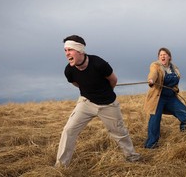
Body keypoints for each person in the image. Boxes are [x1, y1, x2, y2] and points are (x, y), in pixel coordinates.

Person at [55, 35, 140, 167]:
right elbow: (77, 84)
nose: (67, 54)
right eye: (65, 50)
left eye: (69, 50)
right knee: (68, 130)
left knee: (119, 133)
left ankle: (132, 157)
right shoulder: (69, 71)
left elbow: (113, 80)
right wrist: (89, 90)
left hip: (108, 104)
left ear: (80, 50)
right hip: (86, 103)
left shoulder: (99, 63)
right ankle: (61, 166)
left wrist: (104, 93)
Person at [143, 47, 186, 149]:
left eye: (164, 54)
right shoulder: (155, 65)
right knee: (155, 120)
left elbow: (176, 80)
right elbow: (153, 73)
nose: (162, 56)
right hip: (158, 97)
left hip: (171, 98)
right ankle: (151, 145)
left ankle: (185, 137)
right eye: (160, 55)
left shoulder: (175, 68)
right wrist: (151, 80)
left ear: (169, 57)